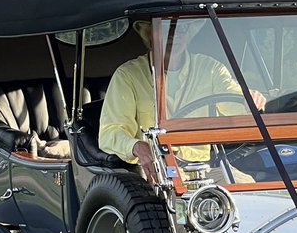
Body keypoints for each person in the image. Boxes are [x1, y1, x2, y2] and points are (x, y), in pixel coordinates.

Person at [99, 18, 265, 181]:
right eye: (165, 30)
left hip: (206, 167)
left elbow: (234, 100)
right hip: (155, 169)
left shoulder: (210, 69)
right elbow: (110, 132)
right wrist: (137, 147)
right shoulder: (127, 75)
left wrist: (249, 100)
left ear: (188, 35)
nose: (174, 36)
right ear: (150, 35)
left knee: (248, 191)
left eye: (181, 30)